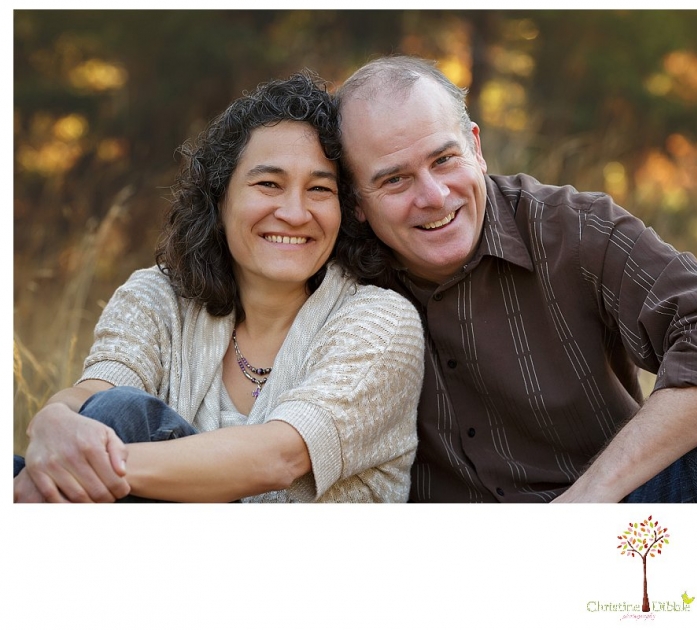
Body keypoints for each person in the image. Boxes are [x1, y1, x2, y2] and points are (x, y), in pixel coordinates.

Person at [335, 55, 697, 503]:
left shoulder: (574, 228)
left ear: (475, 147)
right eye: (395, 180)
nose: (434, 197)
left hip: (614, 516)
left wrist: (590, 496)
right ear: (355, 199)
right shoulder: (338, 281)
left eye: (443, 159)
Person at [13, 72, 425, 503]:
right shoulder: (158, 298)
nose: (294, 212)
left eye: (319, 189)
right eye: (269, 183)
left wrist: (75, 466)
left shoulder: (382, 323)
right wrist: (53, 419)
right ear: (220, 197)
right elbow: (99, 387)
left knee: (115, 417)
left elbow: (280, 458)